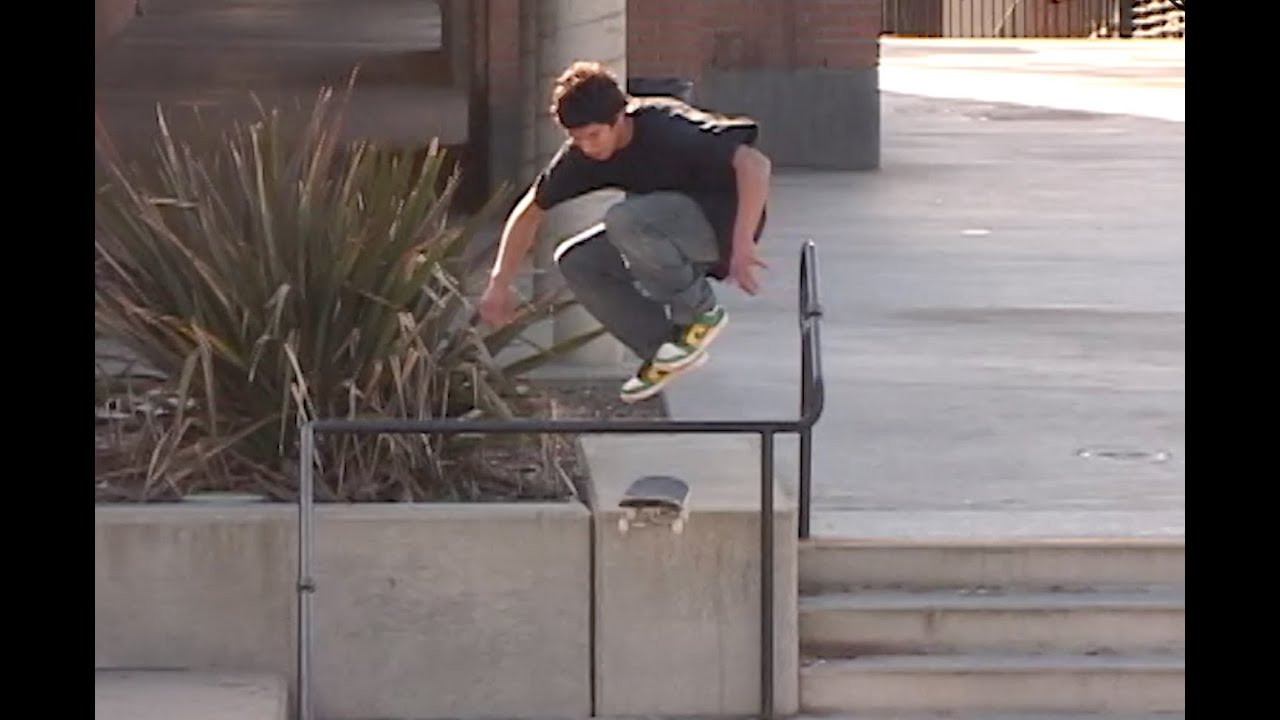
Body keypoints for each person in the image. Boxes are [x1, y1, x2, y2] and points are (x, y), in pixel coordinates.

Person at [478, 60, 772, 403]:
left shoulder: (666, 127)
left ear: (620, 118)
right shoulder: (582, 157)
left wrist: (742, 244)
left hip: (723, 221)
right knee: (576, 259)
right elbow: (530, 211)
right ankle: (664, 349)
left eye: (594, 136)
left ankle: (699, 314)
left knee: (624, 218)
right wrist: (498, 284)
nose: (588, 147)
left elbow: (754, 164)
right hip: (662, 231)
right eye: (578, 138)